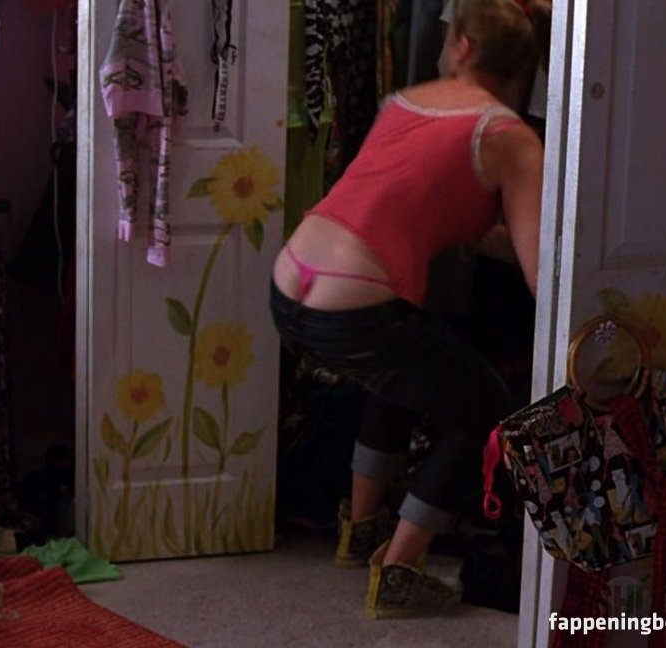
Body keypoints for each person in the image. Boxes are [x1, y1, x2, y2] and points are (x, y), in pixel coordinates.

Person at [269, 0, 546, 619]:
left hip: (292, 284)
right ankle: (399, 571)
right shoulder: (511, 137)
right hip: (356, 307)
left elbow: (396, 201)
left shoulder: (404, 102)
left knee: (405, 370)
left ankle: (360, 530)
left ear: (464, 47)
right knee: (486, 402)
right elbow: (538, 273)